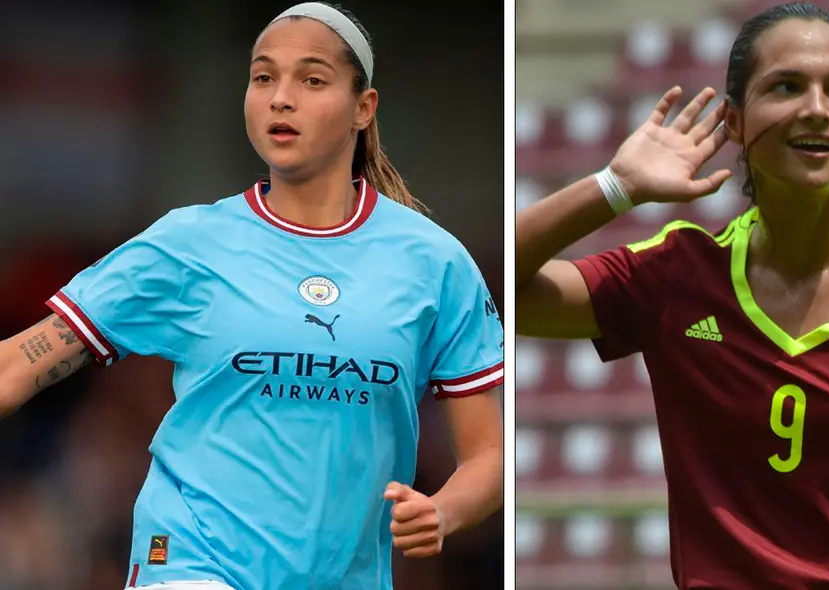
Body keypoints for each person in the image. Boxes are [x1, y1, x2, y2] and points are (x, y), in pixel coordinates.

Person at [0, 2, 503, 589]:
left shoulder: (434, 261)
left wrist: (444, 510)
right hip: (188, 559)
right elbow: (17, 363)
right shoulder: (188, 242)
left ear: (363, 108)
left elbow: (486, 458)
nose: (280, 98)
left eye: (311, 80)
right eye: (263, 77)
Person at [516, 2, 829, 588]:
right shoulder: (675, 275)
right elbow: (491, 293)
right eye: (787, 87)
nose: (817, 110)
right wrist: (615, 188)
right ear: (736, 122)